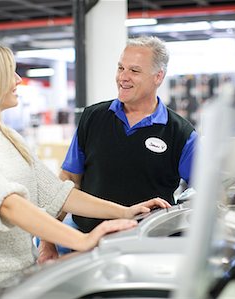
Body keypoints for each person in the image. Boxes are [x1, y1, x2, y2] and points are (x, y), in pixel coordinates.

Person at [0, 44, 170, 296]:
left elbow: (60, 194)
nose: (18, 79)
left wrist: (125, 212)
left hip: (21, 276)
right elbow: (7, 203)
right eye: (10, 72)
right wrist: (80, 240)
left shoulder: (9, 136)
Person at [42, 36, 197, 257]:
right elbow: (68, 180)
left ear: (158, 77)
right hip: (85, 244)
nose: (123, 77)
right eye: (121, 68)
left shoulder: (180, 133)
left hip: (146, 249)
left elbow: (205, 194)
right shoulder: (93, 117)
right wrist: (48, 240)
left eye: (134, 71)